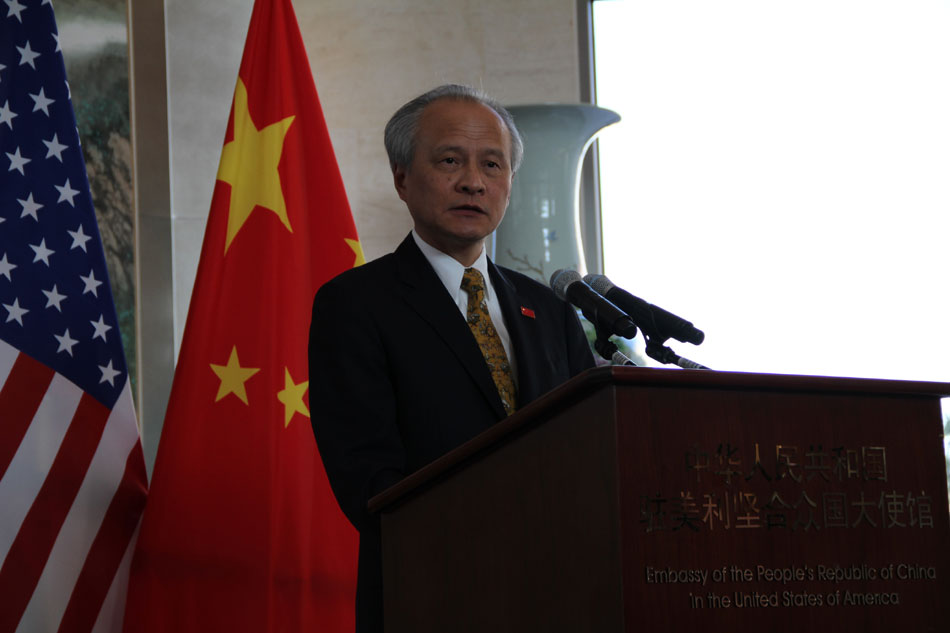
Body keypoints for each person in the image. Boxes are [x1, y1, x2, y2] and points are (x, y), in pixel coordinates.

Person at [309, 84, 595, 632]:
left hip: (562, 593)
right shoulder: (355, 305)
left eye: (493, 164)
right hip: (431, 595)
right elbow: (369, 479)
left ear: (509, 184)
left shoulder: (550, 310)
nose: (473, 181)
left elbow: (589, 449)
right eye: (449, 161)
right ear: (401, 179)